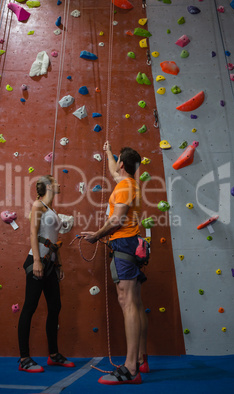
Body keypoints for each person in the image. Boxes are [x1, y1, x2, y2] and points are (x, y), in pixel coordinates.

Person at [81, 142, 149, 385]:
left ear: (123, 165)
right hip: (132, 244)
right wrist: (109, 151)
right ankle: (141, 358)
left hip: (124, 244)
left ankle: (131, 369)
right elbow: (113, 170)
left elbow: (116, 220)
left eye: (117, 161)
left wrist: (96, 235)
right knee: (134, 302)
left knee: (128, 303)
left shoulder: (123, 187)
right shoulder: (131, 183)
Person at [18, 175, 75, 372]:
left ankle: (53, 355)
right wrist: (36, 261)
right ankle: (24, 359)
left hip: (49, 263)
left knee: (55, 306)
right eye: (56, 183)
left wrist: (58, 265)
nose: (60, 185)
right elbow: (34, 234)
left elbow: (53, 240)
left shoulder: (51, 209)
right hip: (37, 262)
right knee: (30, 307)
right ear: (49, 186)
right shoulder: (38, 206)